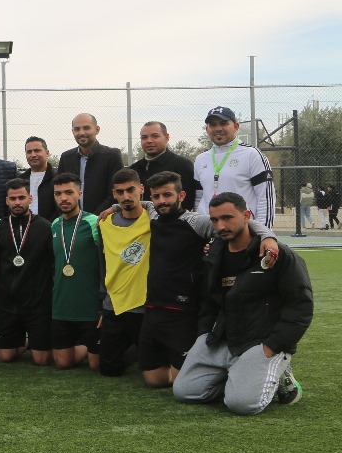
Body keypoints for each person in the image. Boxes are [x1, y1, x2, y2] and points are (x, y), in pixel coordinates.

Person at [135, 172, 277, 389]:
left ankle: (233, 374)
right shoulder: (153, 215)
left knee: (182, 383)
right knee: (154, 381)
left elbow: (246, 224)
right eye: (156, 196)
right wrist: (114, 208)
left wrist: (269, 237)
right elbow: (142, 203)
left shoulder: (196, 222)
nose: (161, 201)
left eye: (167, 195)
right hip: (153, 306)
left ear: (181, 195)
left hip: (183, 311)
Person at [174, 192, 312, 415]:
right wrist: (204, 334)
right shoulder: (213, 254)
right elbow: (208, 302)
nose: (220, 226)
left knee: (242, 404)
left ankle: (280, 374)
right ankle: (238, 375)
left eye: (227, 218)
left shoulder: (277, 255)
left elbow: (300, 306)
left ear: (247, 215)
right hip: (221, 339)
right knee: (185, 392)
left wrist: (273, 345)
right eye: (215, 220)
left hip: (260, 341)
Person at [95, 169, 152, 378]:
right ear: (114, 193)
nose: (126, 196)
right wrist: (103, 302)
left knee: (152, 370)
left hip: (145, 305)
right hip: (114, 305)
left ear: (141, 189)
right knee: (108, 370)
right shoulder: (104, 223)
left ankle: (143, 351)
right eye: (120, 192)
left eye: (131, 190)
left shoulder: (153, 219)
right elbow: (103, 263)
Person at [0, 179, 53, 365]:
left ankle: (35, 341)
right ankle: (24, 341)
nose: (17, 202)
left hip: (37, 305)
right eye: (13, 198)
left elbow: (52, 263)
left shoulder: (45, 227)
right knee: (5, 357)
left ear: (30, 198)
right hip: (8, 305)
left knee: (41, 360)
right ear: (7, 201)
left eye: (21, 197)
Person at [49, 173, 102, 370]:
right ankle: (88, 348)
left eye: (69, 192)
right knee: (63, 363)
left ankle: (121, 347)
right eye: (58, 193)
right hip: (62, 306)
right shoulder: (55, 225)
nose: (63, 198)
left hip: (90, 307)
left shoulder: (94, 222)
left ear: (79, 193)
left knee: (96, 365)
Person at [193, 106, 275, 227]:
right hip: (209, 231)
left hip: (240, 230)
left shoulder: (252, 155)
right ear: (207, 129)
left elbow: (265, 198)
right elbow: (199, 198)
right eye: (213, 125)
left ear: (236, 126)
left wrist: (264, 233)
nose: (218, 129)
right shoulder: (200, 159)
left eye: (224, 123)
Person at [57, 113, 123, 214]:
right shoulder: (66, 158)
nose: (81, 132)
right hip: (72, 219)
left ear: (97, 130)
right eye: (77, 129)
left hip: (103, 218)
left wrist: (92, 218)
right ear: (72, 131)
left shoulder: (112, 156)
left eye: (86, 128)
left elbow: (115, 192)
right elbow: (60, 190)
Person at [130, 121, 201, 212]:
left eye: (155, 136)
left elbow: (188, 202)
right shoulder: (133, 170)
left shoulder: (182, 165)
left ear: (166, 138)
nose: (149, 141)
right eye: (144, 137)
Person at [23, 136, 58, 220]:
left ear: (47, 153)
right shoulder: (21, 180)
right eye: (29, 152)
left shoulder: (57, 178)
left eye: (37, 150)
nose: (33, 155)